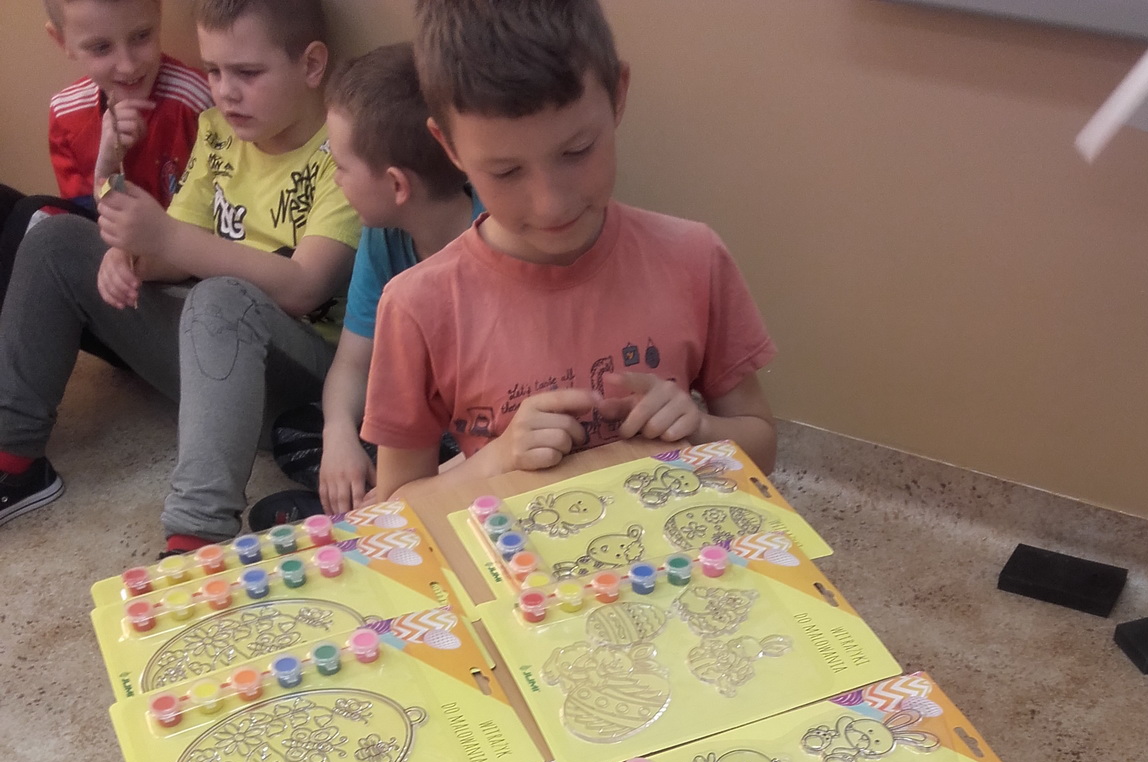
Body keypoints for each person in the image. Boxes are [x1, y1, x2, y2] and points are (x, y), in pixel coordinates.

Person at [361, 0, 777, 496]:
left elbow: (763, 447)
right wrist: (495, 461)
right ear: (448, 146)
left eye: (577, 151)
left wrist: (701, 429)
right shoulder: (417, 307)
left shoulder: (694, 258)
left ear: (617, 94)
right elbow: (395, 506)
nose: (551, 204)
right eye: (506, 172)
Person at [0, 0, 360, 551]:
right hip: (212, 354)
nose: (225, 92)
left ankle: (197, 536)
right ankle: (13, 460)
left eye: (248, 73)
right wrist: (134, 251)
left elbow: (304, 286)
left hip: (304, 386)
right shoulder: (216, 132)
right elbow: (175, 249)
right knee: (54, 237)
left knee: (219, 296)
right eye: (214, 71)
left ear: (311, 65)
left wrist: (169, 240)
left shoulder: (343, 155)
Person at [255, 43, 481, 525]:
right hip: (417, 429)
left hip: (483, 436)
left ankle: (376, 505)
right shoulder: (383, 236)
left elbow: (510, 422)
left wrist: (413, 484)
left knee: (449, 452)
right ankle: (372, 500)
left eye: (341, 166)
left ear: (397, 185)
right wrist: (339, 434)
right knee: (297, 431)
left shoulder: (495, 241)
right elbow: (353, 364)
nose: (335, 180)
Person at [0, 0, 209, 324]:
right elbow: (89, 223)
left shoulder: (198, 103)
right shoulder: (66, 112)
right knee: (15, 211)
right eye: (101, 47)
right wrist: (107, 163)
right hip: (112, 278)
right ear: (62, 41)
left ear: (158, 13)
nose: (127, 66)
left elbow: (214, 227)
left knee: (36, 221)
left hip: (179, 284)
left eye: (141, 36)